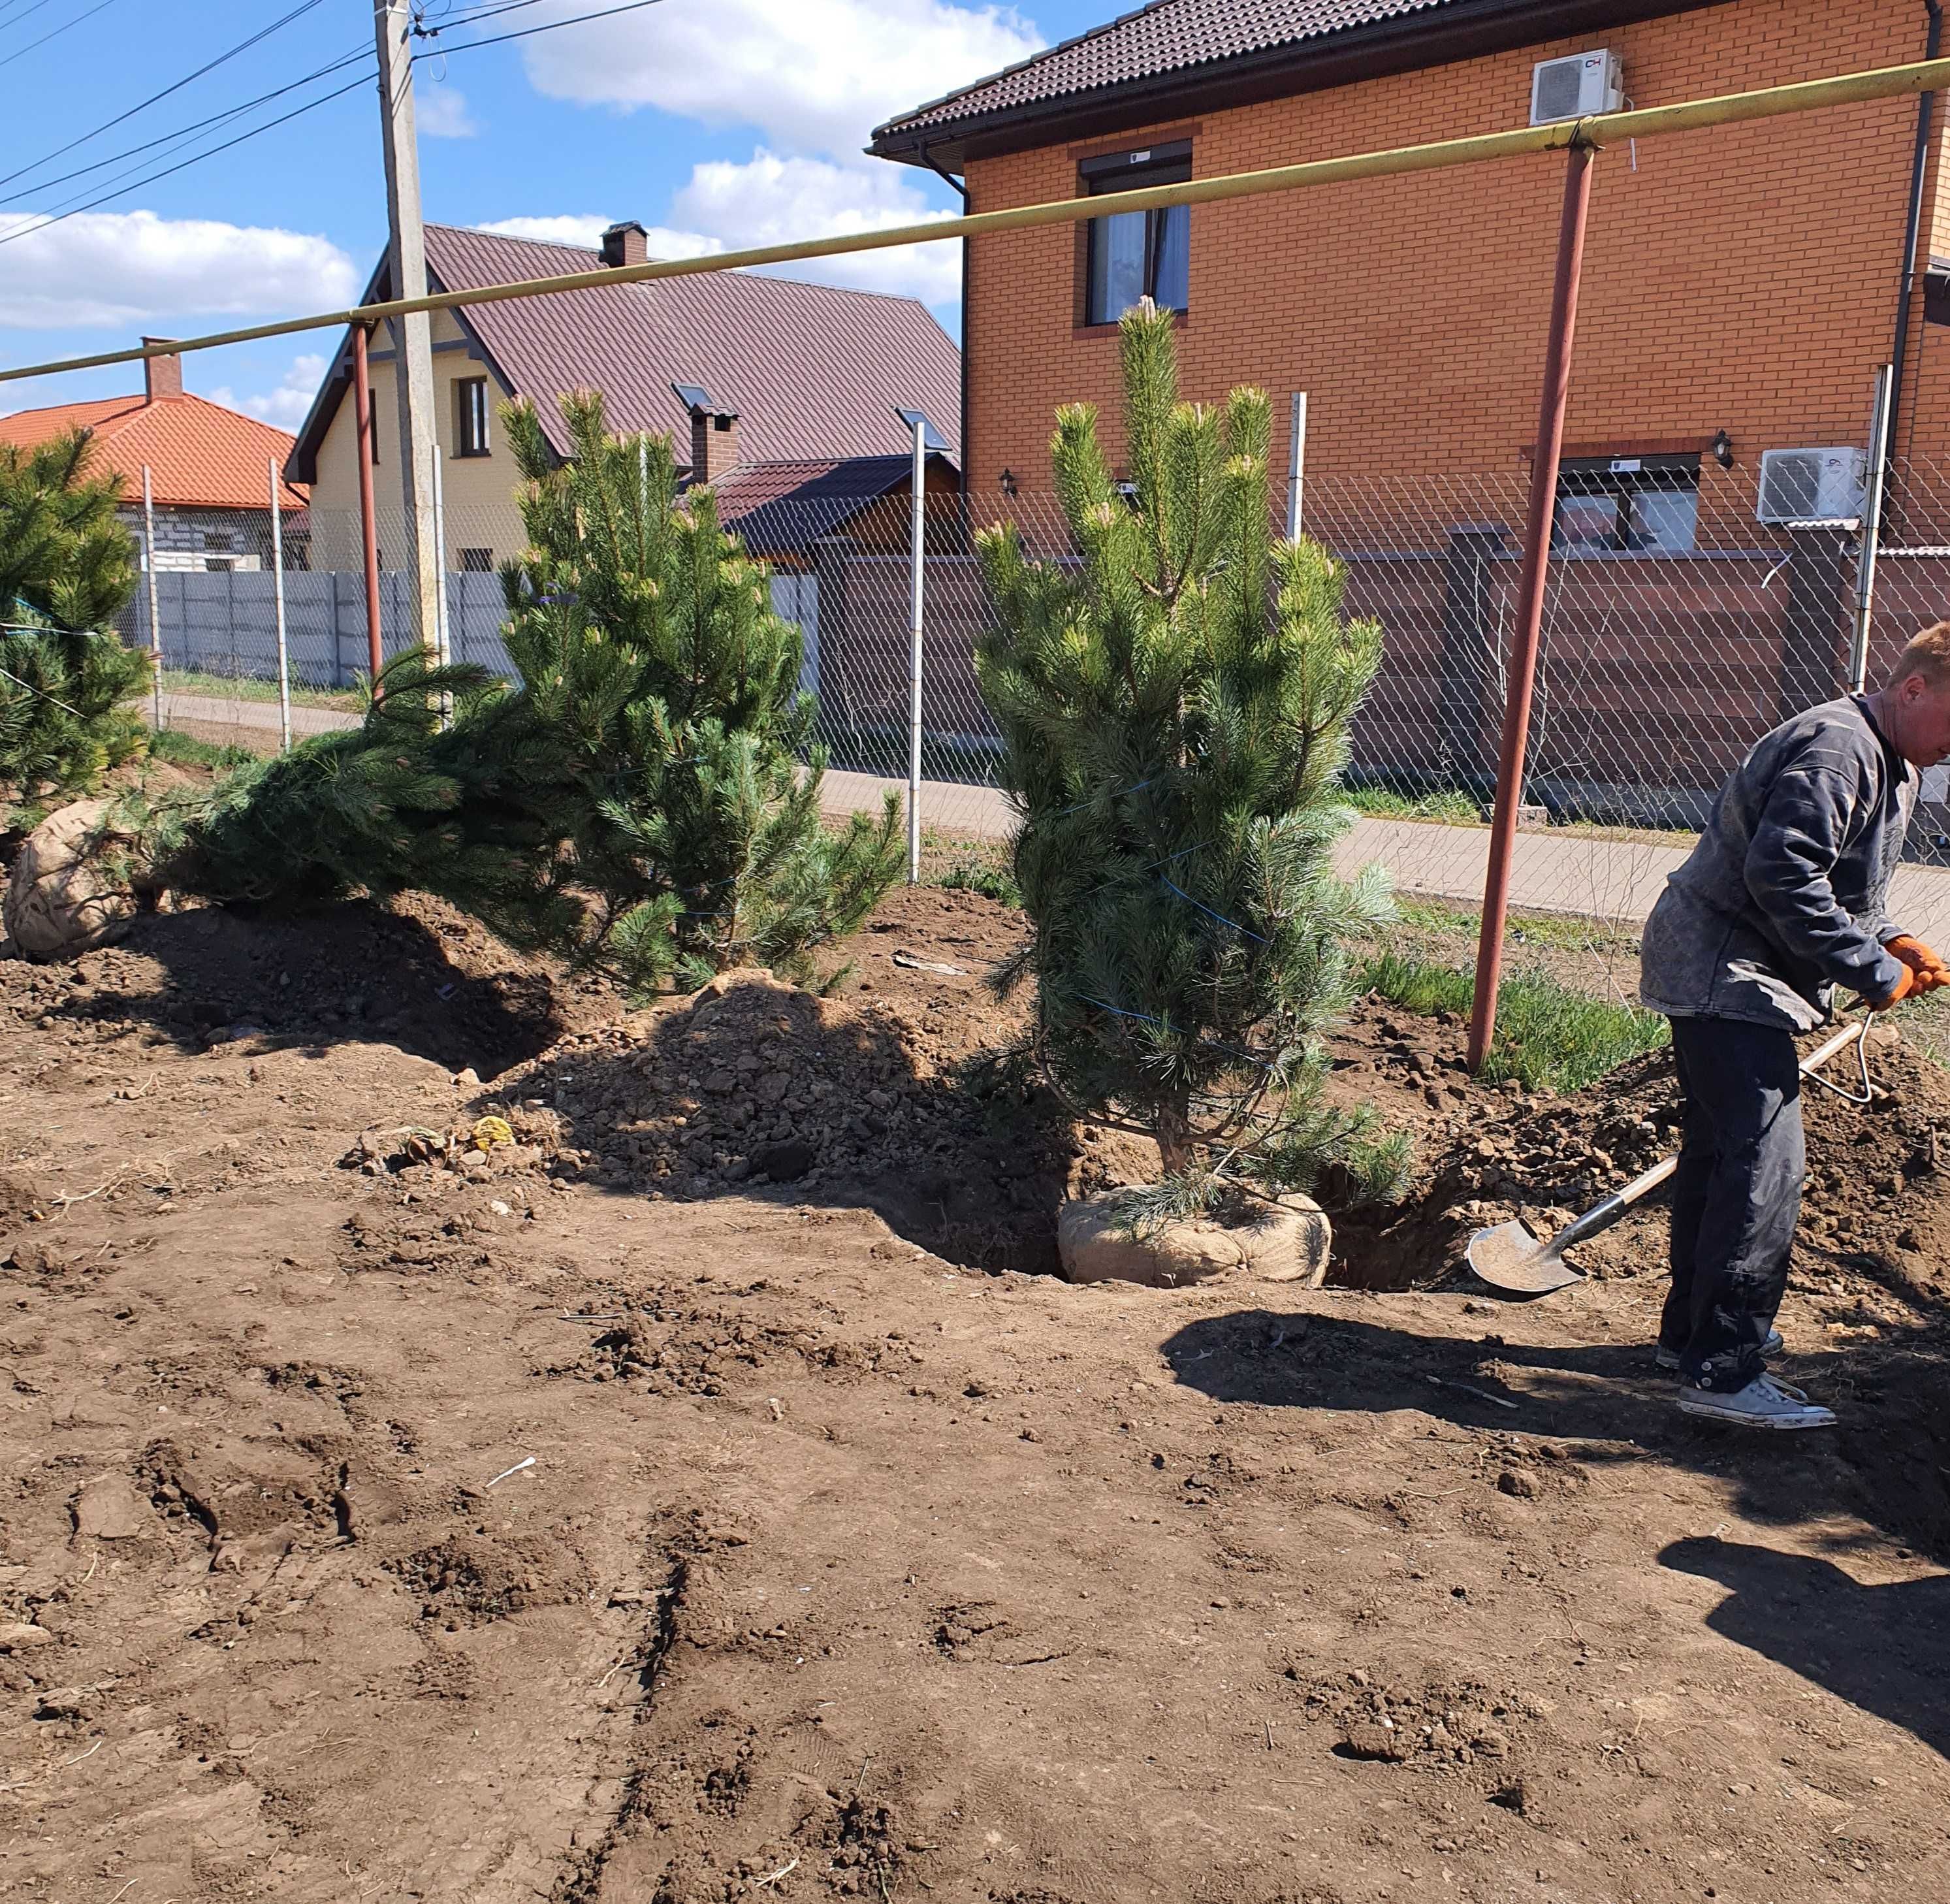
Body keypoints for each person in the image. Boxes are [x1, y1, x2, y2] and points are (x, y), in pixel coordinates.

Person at [1639, 621, 1950, 1428]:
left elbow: (1849, 892)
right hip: (1723, 970)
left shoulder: (1894, 764)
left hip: (1741, 970)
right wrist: (1875, 972)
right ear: (1913, 689)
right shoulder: (1838, 748)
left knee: (1718, 1154)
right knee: (1766, 1161)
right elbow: (1780, 871)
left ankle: (1690, 1339)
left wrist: (1893, 940)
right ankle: (1725, 1367)